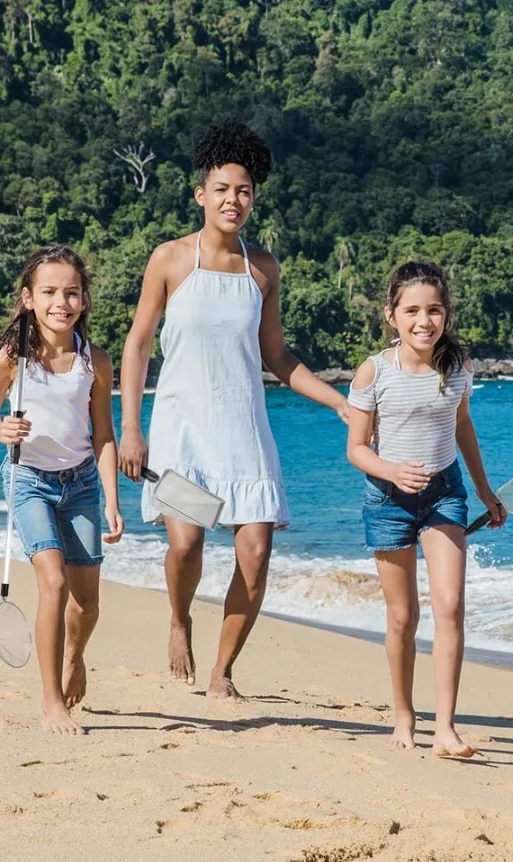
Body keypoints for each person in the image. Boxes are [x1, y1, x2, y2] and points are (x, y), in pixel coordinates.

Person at [119, 119, 348, 698]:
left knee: (256, 549)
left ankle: (222, 671)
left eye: (243, 191)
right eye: (221, 189)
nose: (233, 200)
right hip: (179, 432)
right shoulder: (169, 260)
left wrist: (339, 402)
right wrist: (130, 430)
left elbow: (277, 355)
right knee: (186, 542)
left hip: (244, 431)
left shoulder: (262, 268)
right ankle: (179, 617)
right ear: (200, 194)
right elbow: (139, 344)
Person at [347, 261, 506, 757]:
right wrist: (391, 470)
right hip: (387, 500)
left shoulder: (457, 367)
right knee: (402, 617)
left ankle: (446, 729)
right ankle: (403, 716)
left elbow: (463, 428)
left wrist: (484, 490)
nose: (424, 321)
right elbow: (356, 448)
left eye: (434, 310)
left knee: (450, 607)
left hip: (445, 493)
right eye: (412, 310)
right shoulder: (375, 371)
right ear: (391, 315)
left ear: (445, 314)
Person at [0, 246, 124, 736]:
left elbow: (103, 434)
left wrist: (112, 499)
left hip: (81, 484)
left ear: (83, 299)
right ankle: (51, 703)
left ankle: (75, 657)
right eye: (50, 292)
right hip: (28, 481)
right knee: (54, 584)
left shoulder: (94, 362)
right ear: (28, 298)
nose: (62, 301)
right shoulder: (10, 358)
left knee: (89, 602)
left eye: (72, 292)